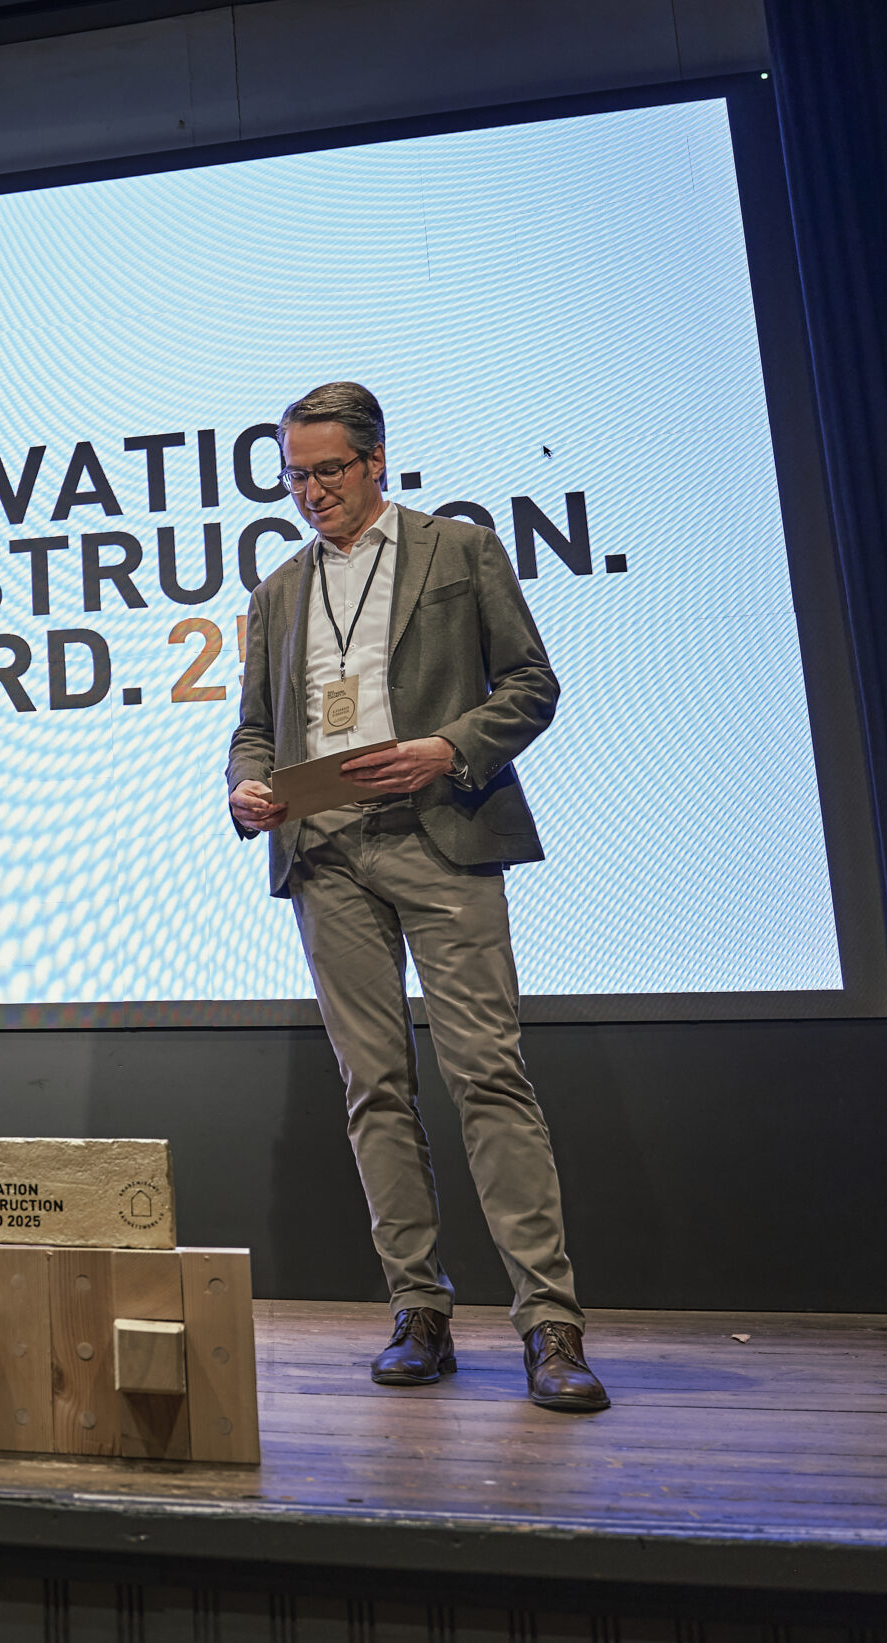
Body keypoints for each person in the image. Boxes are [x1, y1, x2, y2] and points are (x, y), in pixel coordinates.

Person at [225, 381, 608, 1412]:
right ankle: (418, 1311)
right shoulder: (276, 591)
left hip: (441, 833)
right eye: (295, 476)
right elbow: (255, 728)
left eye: (328, 471)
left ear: (376, 461)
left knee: (487, 1075)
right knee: (374, 1089)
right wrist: (246, 789)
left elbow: (530, 685)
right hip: (325, 853)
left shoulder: (460, 550)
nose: (311, 492)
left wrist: (447, 747)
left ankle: (550, 1325)